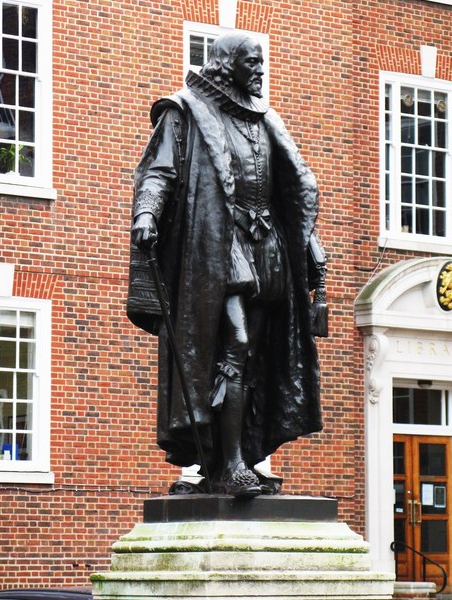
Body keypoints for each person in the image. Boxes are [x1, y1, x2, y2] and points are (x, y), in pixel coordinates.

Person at [128, 32, 327, 498]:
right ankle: (230, 463)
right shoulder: (187, 112)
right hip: (218, 247)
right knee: (234, 343)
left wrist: (309, 239)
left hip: (268, 248)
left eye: (262, 62)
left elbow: (289, 189)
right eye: (252, 62)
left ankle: (232, 459)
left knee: (256, 353)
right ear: (226, 64)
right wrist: (146, 214)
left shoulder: (265, 119)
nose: (260, 70)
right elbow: (159, 172)